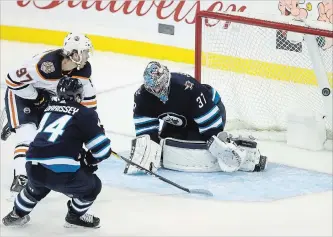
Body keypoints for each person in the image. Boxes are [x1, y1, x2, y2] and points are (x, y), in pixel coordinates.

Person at [2, 76, 111, 228]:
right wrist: (89, 160)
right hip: (62, 174)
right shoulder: (86, 114)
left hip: (33, 164)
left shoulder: (49, 109)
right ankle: (74, 216)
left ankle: (16, 214)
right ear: (80, 95)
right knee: (93, 186)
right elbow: (102, 150)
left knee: (35, 188)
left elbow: (58, 138)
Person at [125, 61, 267, 175]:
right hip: (179, 122)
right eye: (152, 88)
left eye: (160, 86)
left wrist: (216, 141)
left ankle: (246, 155)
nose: (157, 91)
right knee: (167, 146)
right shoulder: (142, 97)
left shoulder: (188, 88)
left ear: (166, 78)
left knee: (211, 146)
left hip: (211, 110)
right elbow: (147, 136)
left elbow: (210, 125)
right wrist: (148, 151)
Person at [1, 32, 97, 194]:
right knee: (28, 137)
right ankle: (21, 176)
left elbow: (89, 104)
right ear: (74, 54)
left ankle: (14, 122)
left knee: (49, 136)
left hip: (47, 99)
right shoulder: (45, 65)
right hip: (21, 95)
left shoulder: (83, 71)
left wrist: (91, 129)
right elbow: (12, 79)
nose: (88, 56)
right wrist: (36, 97)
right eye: (85, 52)